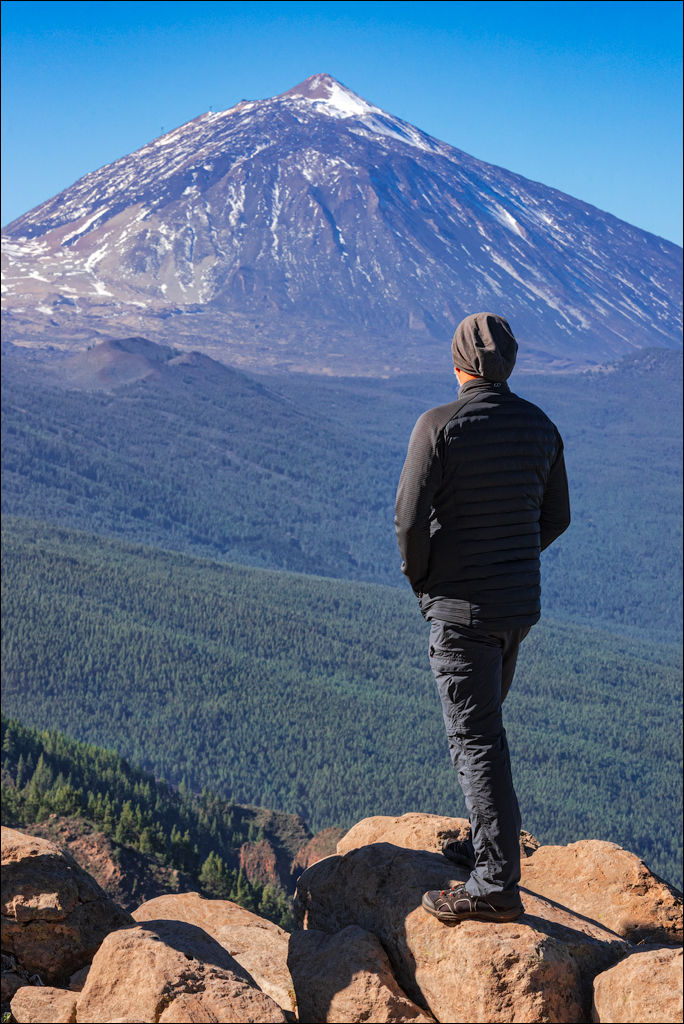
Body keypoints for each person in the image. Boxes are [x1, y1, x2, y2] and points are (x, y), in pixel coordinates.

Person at [394, 312, 570, 924]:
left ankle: (495, 883)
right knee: (485, 728)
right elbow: (557, 518)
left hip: (460, 608)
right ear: (510, 363)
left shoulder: (438, 426)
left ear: (458, 363)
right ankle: (484, 844)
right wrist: (511, 559)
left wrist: (425, 580)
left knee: (476, 740)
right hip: (516, 607)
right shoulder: (541, 426)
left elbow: (410, 522)